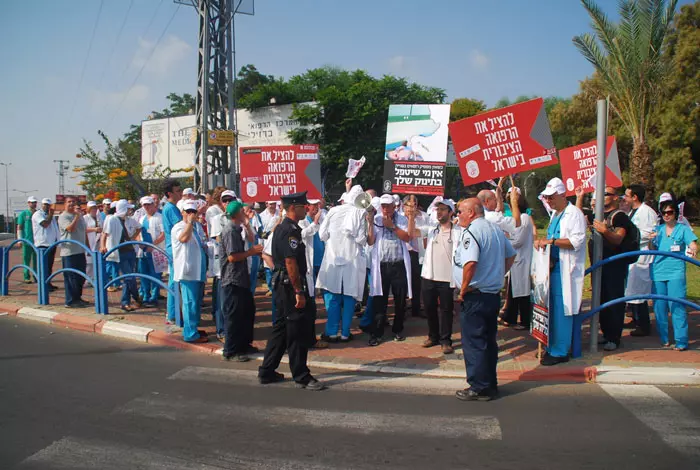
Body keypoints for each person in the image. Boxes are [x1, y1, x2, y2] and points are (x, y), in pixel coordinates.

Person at [258, 191, 325, 391]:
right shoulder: (290, 231)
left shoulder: (282, 228)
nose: (306, 209)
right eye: (302, 206)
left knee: (281, 329)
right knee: (297, 331)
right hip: (289, 286)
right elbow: (290, 262)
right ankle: (301, 375)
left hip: (282, 285)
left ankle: (267, 370)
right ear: (293, 208)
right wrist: (299, 291)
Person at [452, 198, 515, 401]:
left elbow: (470, 263)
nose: (457, 215)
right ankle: (490, 383)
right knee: (488, 341)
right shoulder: (495, 230)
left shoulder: (472, 232)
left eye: (460, 211)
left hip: (476, 295)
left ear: (471, 212)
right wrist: (496, 275)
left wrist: (463, 290)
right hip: (491, 294)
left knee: (474, 342)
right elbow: (511, 255)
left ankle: (478, 386)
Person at [535, 178, 587, 365]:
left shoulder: (574, 214)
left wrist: (552, 242)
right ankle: (550, 346)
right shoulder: (555, 215)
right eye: (546, 198)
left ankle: (560, 351)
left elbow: (576, 241)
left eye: (551, 197)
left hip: (566, 270)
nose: (548, 201)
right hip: (552, 269)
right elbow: (551, 236)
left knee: (563, 311)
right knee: (551, 311)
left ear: (562, 195)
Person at [316, 185, 368, 342]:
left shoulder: (333, 211)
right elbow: (361, 239)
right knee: (349, 298)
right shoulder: (360, 212)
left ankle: (331, 332)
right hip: (352, 260)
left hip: (333, 258)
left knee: (334, 297)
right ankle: (345, 333)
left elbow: (322, 235)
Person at [649, 198, 697, 351]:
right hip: (658, 272)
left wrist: (693, 249)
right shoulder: (658, 230)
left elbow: (693, 244)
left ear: (675, 213)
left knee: (677, 306)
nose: (666, 215)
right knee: (659, 307)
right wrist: (651, 240)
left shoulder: (683, 229)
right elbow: (652, 249)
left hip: (676, 272)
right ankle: (664, 339)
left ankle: (681, 341)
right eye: (663, 213)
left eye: (669, 212)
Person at [367, 193, 415, 346]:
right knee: (379, 300)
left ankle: (398, 329)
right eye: (383, 206)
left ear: (394, 206)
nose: (385, 209)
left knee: (400, 299)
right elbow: (370, 241)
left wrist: (392, 227)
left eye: (388, 206)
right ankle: (377, 332)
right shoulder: (376, 220)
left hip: (398, 264)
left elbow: (407, 237)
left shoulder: (401, 219)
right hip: (382, 265)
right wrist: (369, 224)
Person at [590, 186, 632, 351]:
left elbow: (617, 239)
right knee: (601, 299)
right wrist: (579, 197)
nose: (602, 196)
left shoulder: (620, 216)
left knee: (613, 300)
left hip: (614, 265)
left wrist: (605, 231)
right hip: (599, 264)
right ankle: (606, 333)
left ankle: (614, 337)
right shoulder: (598, 215)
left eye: (606, 194)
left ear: (615, 197)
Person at [220, 200, 262, 361]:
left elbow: (251, 238)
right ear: (237, 213)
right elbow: (232, 257)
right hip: (232, 279)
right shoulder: (230, 231)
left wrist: (247, 224)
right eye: (243, 210)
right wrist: (251, 252)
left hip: (241, 277)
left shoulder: (238, 228)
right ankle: (231, 350)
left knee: (247, 311)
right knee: (234, 315)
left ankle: (244, 344)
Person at [419, 198, 459, 354]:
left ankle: (446, 340)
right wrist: (409, 217)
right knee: (429, 308)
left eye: (443, 209)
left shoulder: (457, 231)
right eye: (438, 209)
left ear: (450, 212)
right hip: (429, 276)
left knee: (446, 310)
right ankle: (433, 336)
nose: (439, 212)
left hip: (446, 278)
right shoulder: (432, 229)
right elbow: (413, 232)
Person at [623, 184, 658, 337]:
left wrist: (630, 236)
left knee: (639, 290)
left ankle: (643, 324)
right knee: (632, 289)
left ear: (634, 197)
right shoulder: (632, 212)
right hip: (633, 254)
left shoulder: (647, 212)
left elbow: (650, 233)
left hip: (642, 254)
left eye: (627, 195)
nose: (624, 198)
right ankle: (636, 319)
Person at [172, 200, 209, 343]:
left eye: (193, 212)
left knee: (196, 302)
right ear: (182, 213)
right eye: (188, 212)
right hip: (187, 271)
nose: (191, 214)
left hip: (198, 269)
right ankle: (190, 333)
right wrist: (189, 223)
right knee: (189, 303)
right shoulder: (179, 227)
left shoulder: (196, 227)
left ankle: (193, 327)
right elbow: (183, 238)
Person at [500, 187, 534, 330]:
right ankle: (510, 317)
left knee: (522, 292)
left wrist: (504, 240)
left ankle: (525, 320)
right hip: (514, 261)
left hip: (522, 259)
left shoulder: (525, 218)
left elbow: (518, 240)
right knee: (512, 291)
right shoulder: (512, 219)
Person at [102, 200, 142, 312]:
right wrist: (103, 245)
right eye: (128, 209)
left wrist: (133, 237)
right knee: (129, 277)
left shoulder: (130, 220)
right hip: (120, 252)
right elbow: (104, 233)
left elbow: (140, 227)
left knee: (129, 277)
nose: (130, 210)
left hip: (130, 250)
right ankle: (130, 299)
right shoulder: (112, 219)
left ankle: (131, 299)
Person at [205, 187, 231, 341]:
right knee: (221, 301)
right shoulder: (217, 218)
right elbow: (217, 238)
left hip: (236, 268)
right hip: (222, 266)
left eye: (230, 200)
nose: (227, 203)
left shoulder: (239, 218)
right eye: (225, 200)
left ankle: (229, 328)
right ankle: (221, 330)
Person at [57, 196, 89, 308]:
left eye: (73, 202)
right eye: (69, 202)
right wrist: (76, 216)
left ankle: (78, 298)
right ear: (65, 204)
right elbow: (70, 229)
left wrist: (88, 247)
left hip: (80, 251)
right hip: (69, 252)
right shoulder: (63, 216)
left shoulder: (80, 217)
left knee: (81, 277)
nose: (72, 204)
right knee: (71, 277)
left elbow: (84, 232)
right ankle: (70, 300)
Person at [162, 179, 184, 324]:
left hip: (172, 248)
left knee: (174, 280)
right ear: (170, 193)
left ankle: (173, 312)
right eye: (178, 191)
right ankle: (173, 313)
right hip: (175, 249)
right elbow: (180, 228)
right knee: (175, 281)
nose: (181, 193)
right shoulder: (170, 208)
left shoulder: (170, 207)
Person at [137, 196, 165, 307]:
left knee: (155, 275)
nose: (147, 207)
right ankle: (145, 296)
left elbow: (164, 234)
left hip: (156, 251)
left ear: (154, 205)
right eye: (145, 205)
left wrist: (153, 245)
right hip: (143, 252)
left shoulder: (159, 217)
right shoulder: (142, 218)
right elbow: (138, 232)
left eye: (149, 204)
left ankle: (154, 297)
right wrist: (140, 243)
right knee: (144, 275)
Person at [404, 195, 428, 318]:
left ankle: (416, 308)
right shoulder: (399, 218)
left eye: (414, 205)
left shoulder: (424, 216)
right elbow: (408, 234)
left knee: (416, 281)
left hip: (417, 253)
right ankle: (402, 306)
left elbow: (424, 232)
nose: (412, 208)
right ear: (404, 206)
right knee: (403, 281)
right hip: (403, 253)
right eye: (409, 205)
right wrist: (410, 219)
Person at [32, 198, 60, 291]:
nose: (47, 206)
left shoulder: (49, 215)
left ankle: (48, 283)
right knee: (43, 266)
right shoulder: (38, 214)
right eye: (45, 204)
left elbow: (55, 229)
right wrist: (51, 214)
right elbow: (45, 224)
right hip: (42, 244)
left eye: (48, 205)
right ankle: (43, 285)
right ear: (41, 205)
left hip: (51, 243)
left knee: (49, 266)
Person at [16, 196, 38, 284]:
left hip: (37, 241)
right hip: (27, 241)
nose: (33, 204)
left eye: (35, 202)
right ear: (28, 203)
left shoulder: (38, 213)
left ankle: (36, 276)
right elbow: (19, 227)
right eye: (31, 202)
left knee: (37, 260)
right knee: (26, 259)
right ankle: (26, 277)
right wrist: (19, 239)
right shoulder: (23, 214)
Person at [83, 201, 101, 278]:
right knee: (89, 262)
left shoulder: (99, 217)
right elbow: (83, 230)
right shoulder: (85, 218)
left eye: (95, 208)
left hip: (98, 241)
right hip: (89, 241)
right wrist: (94, 229)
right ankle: (88, 278)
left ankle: (96, 277)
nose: (94, 210)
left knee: (97, 261)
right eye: (92, 208)